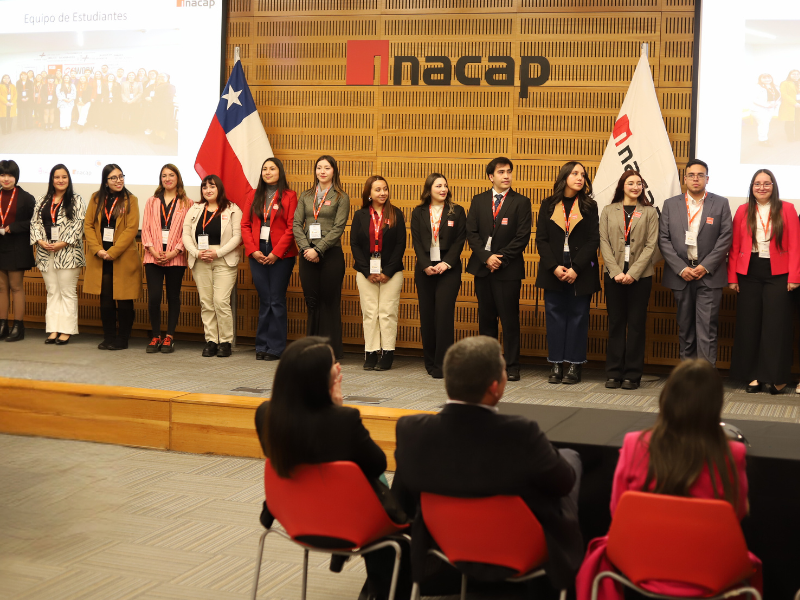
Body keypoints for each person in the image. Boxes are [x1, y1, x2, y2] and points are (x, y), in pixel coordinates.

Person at [392, 336, 583, 593]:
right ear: (495, 387)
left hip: (444, 543)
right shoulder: (521, 433)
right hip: (521, 546)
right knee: (571, 459)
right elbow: (563, 483)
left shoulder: (409, 431)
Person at [575, 360, 761, 600]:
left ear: (666, 398)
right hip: (710, 568)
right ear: (715, 406)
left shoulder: (634, 444)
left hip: (638, 561)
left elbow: (617, 511)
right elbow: (734, 515)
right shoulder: (732, 453)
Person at [254, 336, 407, 600]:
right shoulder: (344, 421)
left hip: (295, 515)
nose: (340, 369)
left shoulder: (266, 414)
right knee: (379, 486)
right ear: (319, 381)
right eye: (335, 364)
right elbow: (378, 463)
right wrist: (336, 409)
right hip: (348, 519)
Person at [728, 169, 800, 394]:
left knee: (775, 327)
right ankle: (753, 376)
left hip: (779, 273)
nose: (762, 187)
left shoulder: (787, 208)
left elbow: (796, 245)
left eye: (766, 183)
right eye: (757, 184)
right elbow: (734, 246)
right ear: (751, 187)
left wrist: (794, 276)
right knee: (749, 325)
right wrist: (732, 277)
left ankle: (775, 377)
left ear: (773, 186)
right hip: (748, 271)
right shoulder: (742, 210)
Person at [658, 159, 732, 367]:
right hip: (680, 274)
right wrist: (681, 268)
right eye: (692, 175)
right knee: (685, 327)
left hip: (709, 274)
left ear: (707, 179)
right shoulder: (671, 204)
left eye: (700, 175)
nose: (696, 179)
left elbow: (725, 237)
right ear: (685, 179)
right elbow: (663, 239)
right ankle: (687, 375)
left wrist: (705, 266)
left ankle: (705, 377)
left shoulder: (720, 203)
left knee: (706, 328)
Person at [465, 157, 532, 381]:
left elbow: (522, 237)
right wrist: (486, 258)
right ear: (491, 176)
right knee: (486, 319)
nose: (506, 176)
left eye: (509, 172)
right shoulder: (478, 200)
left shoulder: (521, 202)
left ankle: (512, 366)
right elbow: (471, 234)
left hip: (508, 270)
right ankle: (489, 367)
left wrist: (499, 259)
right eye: (501, 172)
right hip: (483, 269)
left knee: (510, 320)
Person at [535, 161, 601, 385]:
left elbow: (594, 240)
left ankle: (574, 364)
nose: (580, 178)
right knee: (554, 316)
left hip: (580, 270)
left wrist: (576, 269)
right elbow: (541, 240)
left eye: (583, 174)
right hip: (553, 269)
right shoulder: (548, 204)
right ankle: (555, 363)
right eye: (575, 173)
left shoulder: (589, 206)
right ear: (564, 177)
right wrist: (553, 266)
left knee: (578, 317)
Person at [599, 170, 660, 390]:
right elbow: (603, 241)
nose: (635, 187)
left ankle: (633, 375)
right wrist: (615, 271)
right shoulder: (608, 210)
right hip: (613, 275)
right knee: (616, 324)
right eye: (630, 183)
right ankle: (614, 373)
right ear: (622, 186)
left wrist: (633, 273)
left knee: (636, 325)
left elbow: (651, 245)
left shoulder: (649, 212)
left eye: (639, 183)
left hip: (640, 277)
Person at [292, 155, 349, 359]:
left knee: (329, 302)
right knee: (312, 302)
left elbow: (338, 228)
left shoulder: (341, 197)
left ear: (334, 171)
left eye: (327, 167)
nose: (322, 171)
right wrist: (307, 248)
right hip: (307, 254)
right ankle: (312, 349)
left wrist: (319, 249)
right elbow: (297, 224)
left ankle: (331, 350)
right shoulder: (306, 196)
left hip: (331, 255)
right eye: (319, 168)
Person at [241, 157, 298, 361]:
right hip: (257, 253)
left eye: (272, 169)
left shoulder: (290, 196)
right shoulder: (253, 195)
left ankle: (276, 347)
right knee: (265, 300)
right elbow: (245, 225)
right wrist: (253, 250)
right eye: (264, 169)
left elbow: (292, 228)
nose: (267, 172)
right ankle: (262, 345)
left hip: (281, 255)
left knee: (276, 299)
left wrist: (276, 253)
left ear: (279, 172)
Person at [411, 173, 467, 378]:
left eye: (445, 186)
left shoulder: (457, 211)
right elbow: (416, 241)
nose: (443, 189)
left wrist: (446, 263)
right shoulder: (418, 212)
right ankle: (430, 360)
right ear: (429, 190)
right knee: (427, 315)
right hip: (425, 269)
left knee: (443, 315)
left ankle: (443, 363)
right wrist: (425, 265)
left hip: (448, 269)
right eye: (438, 186)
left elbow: (460, 240)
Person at [182, 174, 242, 358]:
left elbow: (237, 237)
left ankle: (225, 341)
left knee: (221, 301)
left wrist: (218, 252)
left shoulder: (232, 209)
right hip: (200, 259)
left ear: (219, 188)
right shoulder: (195, 209)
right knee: (206, 302)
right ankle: (211, 341)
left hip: (223, 259)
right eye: (204, 187)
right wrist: (196, 252)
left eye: (212, 186)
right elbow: (185, 235)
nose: (208, 190)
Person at [84, 164, 142, 350]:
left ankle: (123, 338)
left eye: (121, 176)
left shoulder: (131, 200)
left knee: (124, 301)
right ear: (106, 181)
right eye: (113, 178)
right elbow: (88, 226)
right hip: (101, 257)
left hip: (122, 257)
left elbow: (131, 229)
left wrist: (113, 252)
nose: (119, 181)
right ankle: (108, 336)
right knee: (106, 300)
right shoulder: (96, 198)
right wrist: (98, 250)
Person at [351, 175, 406, 371]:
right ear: (369, 193)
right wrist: (367, 271)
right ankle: (371, 352)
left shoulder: (396, 214)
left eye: (385, 189)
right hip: (366, 272)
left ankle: (388, 352)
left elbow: (401, 245)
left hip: (392, 272)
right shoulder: (360, 215)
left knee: (387, 312)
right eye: (378, 190)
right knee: (370, 312)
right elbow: (355, 245)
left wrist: (388, 271)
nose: (382, 193)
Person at [30, 164, 86, 345]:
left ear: (69, 179)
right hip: (45, 253)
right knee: (52, 292)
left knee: (67, 292)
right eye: (57, 177)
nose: (60, 180)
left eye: (64, 177)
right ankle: (53, 329)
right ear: (51, 180)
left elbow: (78, 225)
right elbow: (35, 223)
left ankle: (66, 330)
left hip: (68, 253)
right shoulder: (42, 200)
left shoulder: (77, 200)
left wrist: (62, 243)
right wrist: (39, 241)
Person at [141, 164, 191, 354]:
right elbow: (145, 229)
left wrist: (174, 251)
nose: (167, 178)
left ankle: (169, 336)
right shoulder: (151, 201)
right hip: (152, 257)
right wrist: (153, 251)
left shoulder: (188, 203)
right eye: (164, 175)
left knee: (173, 297)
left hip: (175, 258)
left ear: (178, 178)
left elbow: (188, 232)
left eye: (171, 175)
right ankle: (155, 336)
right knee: (154, 297)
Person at [0, 160, 36, 341]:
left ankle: (18, 326)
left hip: (17, 246)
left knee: (15, 287)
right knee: (1, 288)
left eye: (10, 175)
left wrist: (14, 226)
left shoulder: (26, 197)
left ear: (16, 177)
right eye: (2, 175)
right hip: (1, 245)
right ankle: (2, 325)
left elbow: (35, 222)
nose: (6, 179)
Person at [752, 73, 780, 146]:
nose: (767, 79)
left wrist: (776, 103)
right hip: (759, 109)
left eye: (769, 78)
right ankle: (763, 140)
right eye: (764, 78)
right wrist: (767, 105)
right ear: (760, 79)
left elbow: (778, 96)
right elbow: (754, 99)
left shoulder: (775, 86)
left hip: (770, 108)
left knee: (766, 123)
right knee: (763, 123)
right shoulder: (757, 87)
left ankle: (764, 137)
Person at [152, 73, 176, 142]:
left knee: (163, 123)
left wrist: (152, 99)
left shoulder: (170, 86)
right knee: (157, 122)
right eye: (159, 76)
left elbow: (167, 98)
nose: (160, 78)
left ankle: (161, 139)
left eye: (163, 77)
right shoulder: (158, 85)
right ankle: (157, 136)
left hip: (164, 109)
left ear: (167, 78)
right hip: (157, 108)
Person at [779, 69, 800, 142]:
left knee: (798, 122)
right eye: (793, 74)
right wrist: (794, 103)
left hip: (799, 105)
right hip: (790, 105)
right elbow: (784, 94)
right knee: (789, 122)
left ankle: (798, 136)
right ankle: (790, 137)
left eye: (797, 74)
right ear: (789, 75)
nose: (796, 75)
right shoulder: (785, 83)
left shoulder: (799, 82)